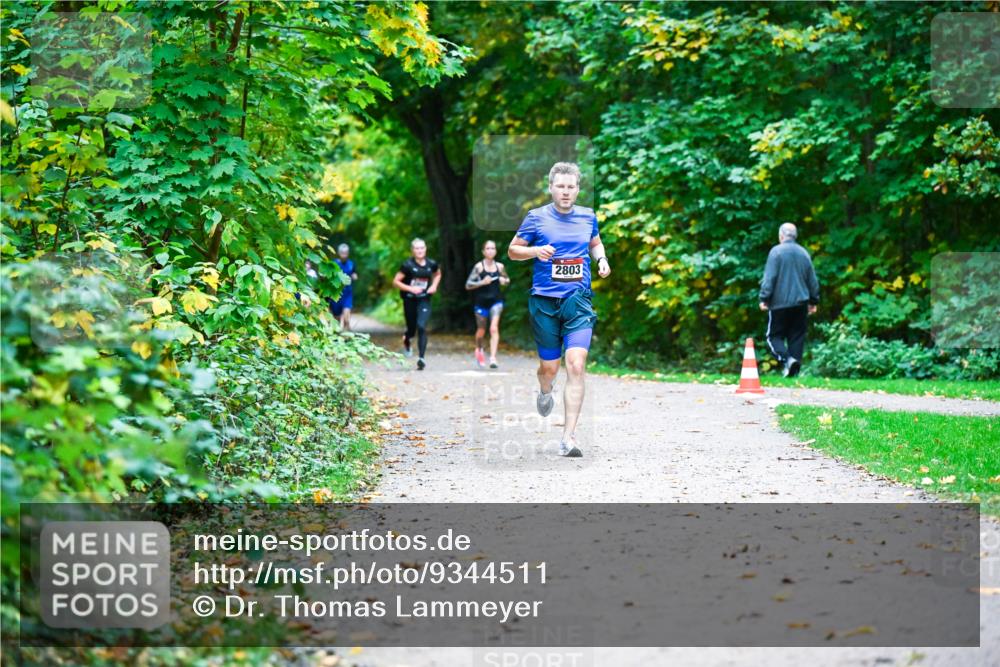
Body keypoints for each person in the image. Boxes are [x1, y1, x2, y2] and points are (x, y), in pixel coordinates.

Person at [508, 162, 611, 458]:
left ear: (578, 189)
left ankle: (568, 437)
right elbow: (513, 250)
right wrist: (534, 251)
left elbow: (595, 242)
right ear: (551, 187)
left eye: (571, 187)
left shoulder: (588, 216)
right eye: (560, 186)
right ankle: (545, 389)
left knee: (576, 364)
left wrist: (601, 259)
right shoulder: (536, 218)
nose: (566, 192)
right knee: (550, 368)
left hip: (578, 299)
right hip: (544, 301)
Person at [758, 222, 820, 377]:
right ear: (795, 236)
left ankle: (787, 360)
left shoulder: (776, 252)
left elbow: (769, 278)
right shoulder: (804, 253)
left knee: (773, 337)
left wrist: (764, 298)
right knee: (796, 336)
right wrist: (813, 301)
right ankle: (794, 371)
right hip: (800, 303)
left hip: (779, 303)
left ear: (781, 236)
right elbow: (812, 280)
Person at [392, 238, 441, 371]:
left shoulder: (431, 263)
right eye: (417, 248)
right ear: (413, 250)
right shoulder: (407, 265)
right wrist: (410, 289)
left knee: (422, 326)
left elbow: (437, 274)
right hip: (409, 299)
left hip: (424, 299)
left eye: (422, 248)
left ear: (425, 249)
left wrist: (434, 286)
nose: (420, 251)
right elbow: (396, 282)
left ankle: (421, 358)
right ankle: (407, 340)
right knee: (411, 330)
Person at [465, 240, 510, 369]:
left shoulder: (500, 267)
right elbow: (468, 285)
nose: (491, 251)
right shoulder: (479, 267)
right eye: (488, 248)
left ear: (495, 251)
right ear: (483, 252)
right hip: (481, 303)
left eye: (493, 248)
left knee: (493, 328)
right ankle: (479, 349)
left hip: (496, 302)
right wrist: (481, 283)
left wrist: (503, 280)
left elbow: (507, 280)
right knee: (481, 330)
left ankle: (493, 358)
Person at [329, 243, 358, 331]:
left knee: (346, 317)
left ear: (348, 253)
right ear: (339, 253)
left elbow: (354, 273)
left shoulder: (351, 264)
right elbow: (328, 275)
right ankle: (337, 338)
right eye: (342, 253)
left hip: (347, 293)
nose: (344, 255)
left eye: (346, 253)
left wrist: (354, 276)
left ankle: (347, 337)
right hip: (336, 294)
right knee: (336, 318)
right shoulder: (334, 264)